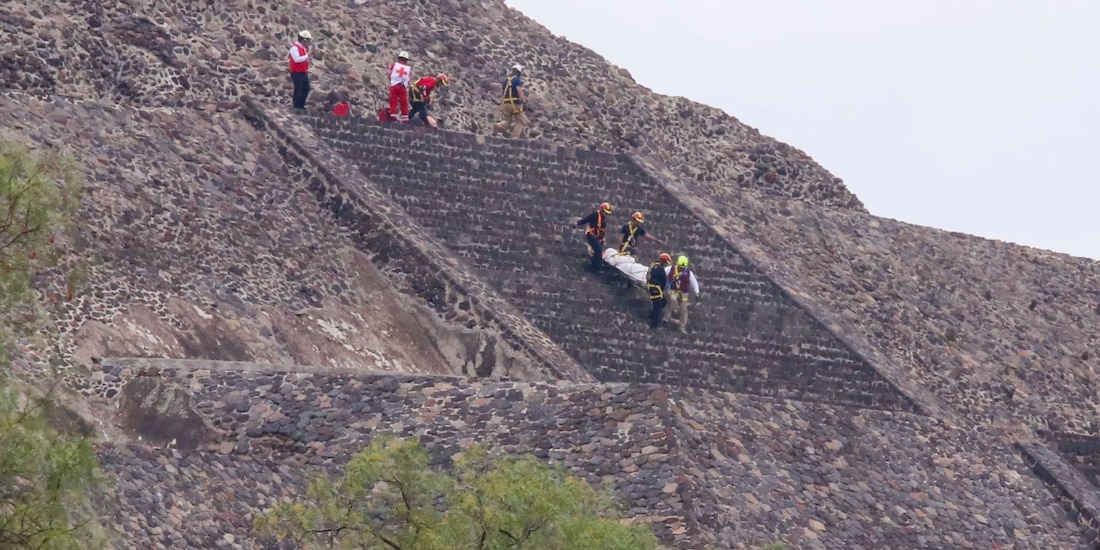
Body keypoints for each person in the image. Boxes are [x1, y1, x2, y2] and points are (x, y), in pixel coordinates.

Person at [664, 255, 701, 333]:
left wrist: (697, 293)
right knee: (673, 300)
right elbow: (663, 272)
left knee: (684, 310)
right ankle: (666, 317)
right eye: (680, 267)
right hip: (673, 290)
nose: (682, 268)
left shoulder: (689, 273)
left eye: (683, 267)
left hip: (683, 293)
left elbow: (694, 283)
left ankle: (682, 327)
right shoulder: (671, 269)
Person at [492, 64, 527, 138]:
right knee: (521, 120)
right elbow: (519, 90)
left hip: (505, 104)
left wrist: (501, 104)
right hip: (515, 104)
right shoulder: (517, 80)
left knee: (508, 121)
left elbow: (502, 93)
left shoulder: (505, 81)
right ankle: (514, 137)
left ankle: (499, 125)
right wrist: (524, 101)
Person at [576, 202, 612, 269]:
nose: (606, 214)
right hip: (591, 236)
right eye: (605, 212)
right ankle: (596, 268)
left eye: (607, 213)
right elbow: (586, 220)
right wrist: (577, 223)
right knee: (598, 250)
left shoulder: (603, 218)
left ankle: (595, 265)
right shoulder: (595, 215)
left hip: (599, 238)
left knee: (599, 252)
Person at [647, 253, 673, 329]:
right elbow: (664, 280)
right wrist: (662, 289)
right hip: (656, 288)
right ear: (663, 261)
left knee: (664, 301)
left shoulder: (653, 265)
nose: (665, 264)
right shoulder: (661, 269)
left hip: (650, 286)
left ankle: (651, 314)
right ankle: (654, 324)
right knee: (658, 306)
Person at [288, 30, 312, 111]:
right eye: (307, 40)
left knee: (306, 88)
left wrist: (309, 57)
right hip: (296, 72)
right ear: (303, 40)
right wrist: (307, 55)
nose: (308, 42)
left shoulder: (303, 49)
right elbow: (297, 59)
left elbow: (304, 59)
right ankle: (297, 106)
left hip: (303, 72)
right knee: (298, 89)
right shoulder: (294, 48)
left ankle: (301, 105)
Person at [387, 51, 412, 122]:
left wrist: (392, 81)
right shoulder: (409, 68)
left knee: (393, 100)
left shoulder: (394, 65)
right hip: (403, 86)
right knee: (404, 102)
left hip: (394, 85)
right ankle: (405, 118)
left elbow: (388, 74)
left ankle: (393, 114)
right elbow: (409, 78)